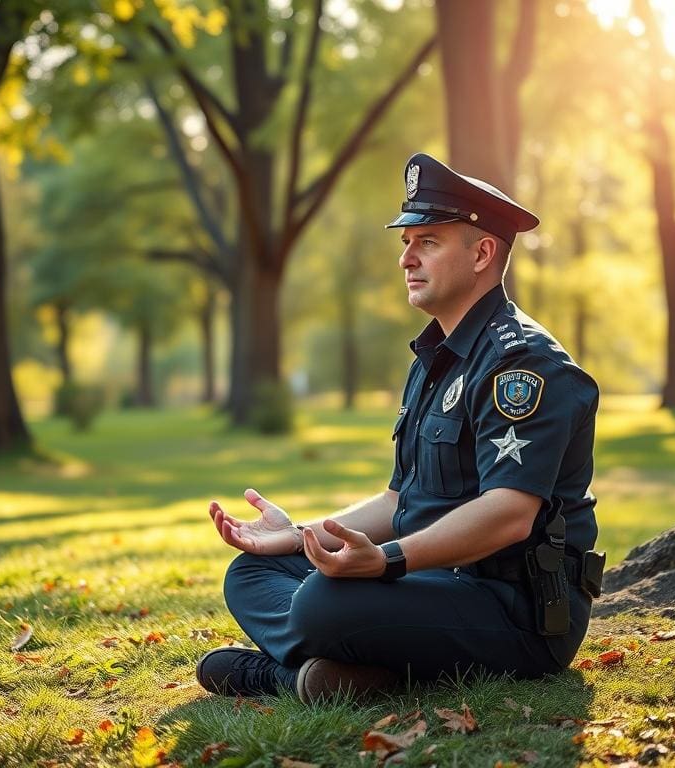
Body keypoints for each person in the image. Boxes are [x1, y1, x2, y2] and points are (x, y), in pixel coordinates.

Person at [196, 153, 605, 704]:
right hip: (432, 584)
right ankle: (341, 671)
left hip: (515, 609)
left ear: (483, 252)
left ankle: (283, 676)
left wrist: (387, 561)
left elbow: (510, 514)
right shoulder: (435, 359)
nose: (406, 259)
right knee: (251, 572)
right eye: (406, 243)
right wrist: (300, 536)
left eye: (427, 242)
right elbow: (400, 500)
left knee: (320, 602)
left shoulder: (524, 364)